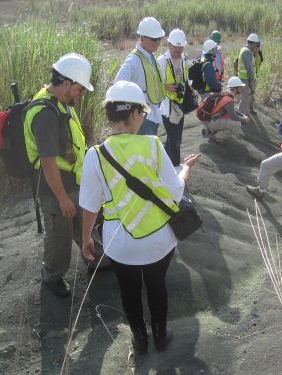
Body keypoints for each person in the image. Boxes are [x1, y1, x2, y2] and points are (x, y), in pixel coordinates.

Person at [80, 81, 200, 354]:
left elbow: (90, 205)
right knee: (157, 286)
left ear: (111, 114)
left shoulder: (94, 155)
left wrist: (86, 237)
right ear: (134, 113)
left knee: (129, 291)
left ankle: (139, 339)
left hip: (120, 244)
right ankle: (160, 335)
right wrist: (185, 170)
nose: (144, 117)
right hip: (159, 239)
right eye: (143, 112)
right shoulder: (153, 145)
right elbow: (175, 191)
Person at [23, 53, 107, 297]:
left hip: (72, 181)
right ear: (67, 83)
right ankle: (52, 277)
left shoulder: (59, 103)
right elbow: (48, 163)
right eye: (80, 90)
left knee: (84, 223)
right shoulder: (45, 115)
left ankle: (94, 258)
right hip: (54, 188)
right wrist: (62, 198)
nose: (81, 95)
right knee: (59, 237)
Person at [114, 16, 166, 136]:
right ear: (142, 38)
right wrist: (133, 108)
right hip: (142, 119)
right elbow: (118, 84)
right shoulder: (133, 60)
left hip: (153, 115)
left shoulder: (150, 56)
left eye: (159, 38)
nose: (157, 42)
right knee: (144, 154)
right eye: (153, 39)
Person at [157, 28, 190, 169]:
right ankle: (175, 166)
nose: (178, 49)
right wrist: (165, 86)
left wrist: (190, 90)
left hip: (180, 104)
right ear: (168, 44)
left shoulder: (184, 59)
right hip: (167, 106)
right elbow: (153, 83)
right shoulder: (161, 61)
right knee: (175, 138)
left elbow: (186, 78)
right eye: (175, 46)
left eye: (180, 47)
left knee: (174, 137)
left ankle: (160, 162)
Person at [203, 76, 251, 145]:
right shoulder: (229, 100)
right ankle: (218, 137)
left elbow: (232, 110)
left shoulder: (226, 94)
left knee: (230, 119)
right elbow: (234, 117)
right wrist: (244, 119)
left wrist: (243, 115)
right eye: (240, 87)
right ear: (235, 88)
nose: (242, 89)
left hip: (210, 119)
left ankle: (210, 129)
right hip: (213, 122)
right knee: (237, 124)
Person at [238, 33, 261, 116]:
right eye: (257, 44)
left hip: (244, 78)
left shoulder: (245, 50)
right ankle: (241, 116)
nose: (258, 46)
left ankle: (246, 113)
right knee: (245, 99)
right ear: (254, 43)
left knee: (247, 97)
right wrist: (251, 80)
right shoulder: (247, 52)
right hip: (245, 79)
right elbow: (249, 68)